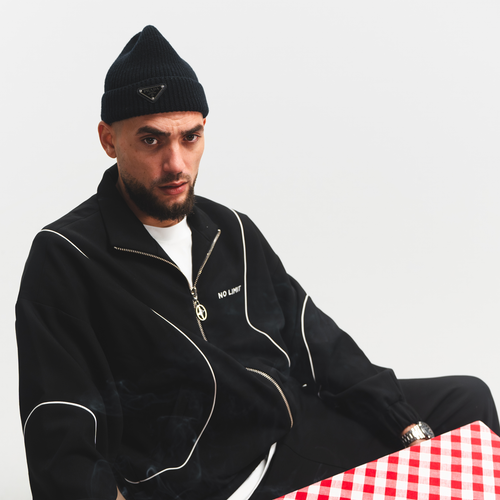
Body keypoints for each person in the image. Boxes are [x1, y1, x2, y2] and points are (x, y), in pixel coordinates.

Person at [16, 25, 499, 500]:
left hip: (291, 435)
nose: (176, 163)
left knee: (467, 402)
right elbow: (58, 431)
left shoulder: (230, 231)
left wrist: (407, 427)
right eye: (151, 141)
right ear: (108, 140)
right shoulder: (67, 256)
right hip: (200, 482)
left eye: (190, 137)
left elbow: (320, 346)